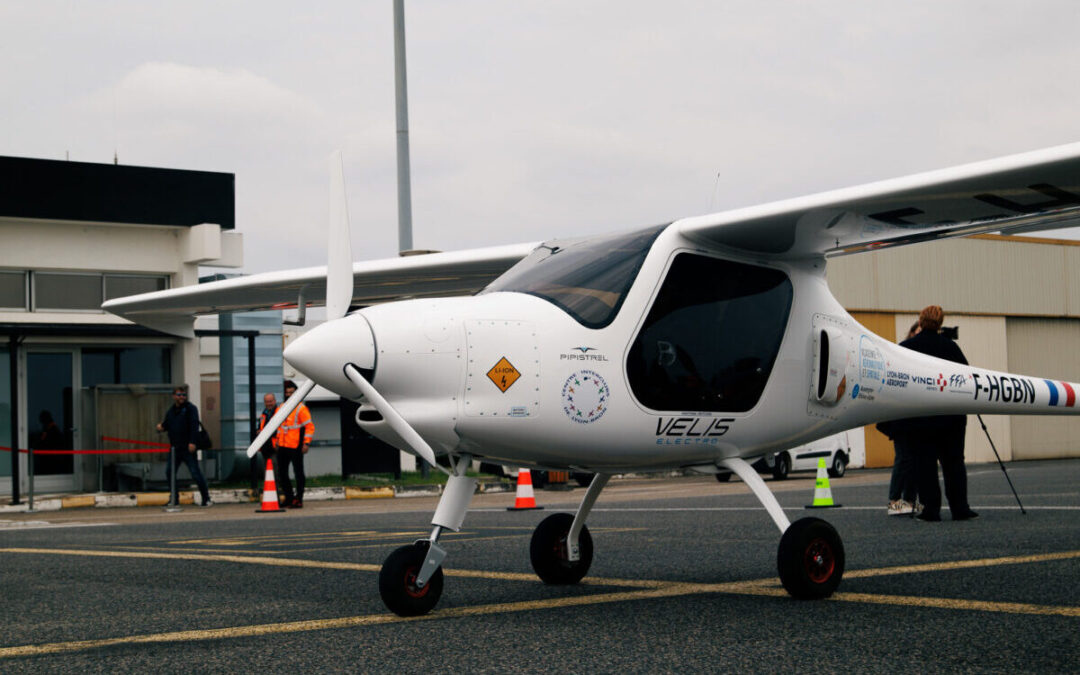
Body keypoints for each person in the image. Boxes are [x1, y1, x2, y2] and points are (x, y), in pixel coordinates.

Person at [900, 306, 978, 522]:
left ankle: (931, 510)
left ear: (921, 321)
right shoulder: (951, 348)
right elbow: (967, 378)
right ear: (940, 323)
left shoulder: (906, 348)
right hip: (951, 418)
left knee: (924, 465)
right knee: (954, 463)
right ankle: (960, 508)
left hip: (919, 417)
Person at [880, 321, 923, 516]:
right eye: (918, 331)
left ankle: (909, 501)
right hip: (902, 419)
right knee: (904, 459)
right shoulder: (902, 353)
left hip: (916, 418)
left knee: (915, 462)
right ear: (912, 332)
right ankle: (895, 501)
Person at [156, 386, 212, 507]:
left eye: (184, 395)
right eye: (179, 395)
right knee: (170, 472)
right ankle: (174, 499)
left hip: (187, 447)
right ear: (174, 396)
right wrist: (161, 427)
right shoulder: (171, 411)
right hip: (175, 448)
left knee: (195, 473)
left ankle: (206, 498)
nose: (182, 397)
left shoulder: (190, 409)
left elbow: (194, 426)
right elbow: (167, 424)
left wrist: (192, 442)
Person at [275, 380, 314, 508]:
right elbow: (277, 426)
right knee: (282, 474)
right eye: (287, 393)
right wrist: (276, 441)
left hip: (296, 446)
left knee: (298, 473)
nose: (289, 395)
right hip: (283, 445)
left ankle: (298, 498)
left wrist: (306, 443)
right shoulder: (281, 408)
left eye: (292, 392)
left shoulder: (301, 408)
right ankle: (289, 497)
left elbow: (309, 427)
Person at [251, 392, 280, 494]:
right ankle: (270, 494)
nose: (269, 403)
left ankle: (275, 495)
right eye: (267, 402)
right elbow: (261, 428)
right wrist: (258, 432)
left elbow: (279, 429)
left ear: (275, 401)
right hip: (265, 448)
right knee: (268, 473)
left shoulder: (279, 412)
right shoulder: (264, 414)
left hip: (274, 447)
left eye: (271, 401)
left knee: (275, 473)